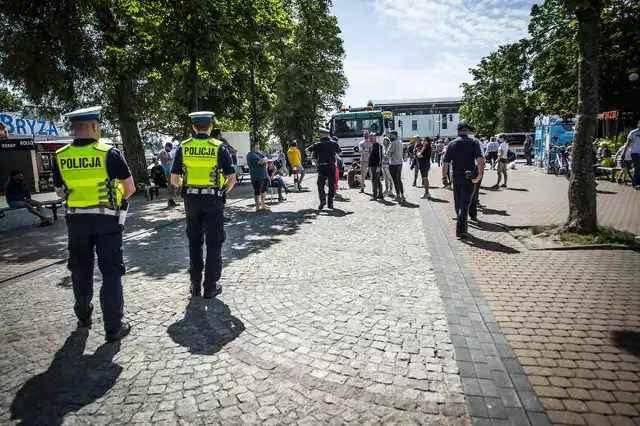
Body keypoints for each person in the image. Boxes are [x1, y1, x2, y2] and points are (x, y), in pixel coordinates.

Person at [53, 106, 135, 341]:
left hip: (76, 220)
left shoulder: (61, 155)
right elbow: (129, 189)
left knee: (80, 268)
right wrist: (115, 197)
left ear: (75, 128)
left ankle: (83, 316)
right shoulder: (109, 153)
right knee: (110, 272)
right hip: (107, 220)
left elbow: (60, 191)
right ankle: (113, 327)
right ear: (95, 126)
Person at [170, 111, 236, 299]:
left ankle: (195, 284)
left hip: (191, 199)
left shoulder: (184, 147)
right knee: (214, 243)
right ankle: (210, 286)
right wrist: (222, 190)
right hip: (213, 199)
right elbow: (231, 178)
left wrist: (187, 186)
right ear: (211, 127)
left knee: (194, 242)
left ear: (193, 127)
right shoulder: (218, 148)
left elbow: (174, 179)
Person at [441, 122, 485, 239]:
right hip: (469, 176)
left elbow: (445, 163)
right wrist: (480, 174)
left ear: (459, 131)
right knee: (465, 203)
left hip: (456, 176)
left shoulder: (452, 144)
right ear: (468, 131)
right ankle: (461, 230)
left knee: (458, 202)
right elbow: (480, 159)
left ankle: (462, 224)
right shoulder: (474, 143)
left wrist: (444, 177)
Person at [306, 128, 341, 210]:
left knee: (320, 185)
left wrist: (309, 156)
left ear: (322, 135)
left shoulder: (317, 144)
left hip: (322, 167)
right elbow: (340, 152)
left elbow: (307, 150)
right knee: (331, 186)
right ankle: (330, 204)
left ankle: (322, 201)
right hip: (331, 167)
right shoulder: (334, 143)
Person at [246, 142, 270, 211]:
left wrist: (265, 159)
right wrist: (265, 160)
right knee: (257, 192)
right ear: (252, 148)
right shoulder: (251, 155)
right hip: (256, 177)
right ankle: (257, 206)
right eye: (257, 147)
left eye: (258, 147)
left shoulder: (258, 153)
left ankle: (262, 205)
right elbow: (261, 161)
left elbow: (266, 159)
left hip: (264, 175)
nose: (258, 149)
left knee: (264, 191)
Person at [387, 133, 406, 202]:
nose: (390, 136)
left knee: (395, 181)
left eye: (391, 135)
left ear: (394, 135)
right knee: (399, 180)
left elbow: (388, 154)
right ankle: (402, 195)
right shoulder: (400, 142)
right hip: (399, 163)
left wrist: (385, 152)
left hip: (393, 164)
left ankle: (398, 195)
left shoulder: (393, 143)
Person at [160, 142, 178, 207]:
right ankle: (170, 201)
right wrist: (174, 158)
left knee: (172, 186)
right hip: (168, 172)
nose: (170, 149)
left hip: (169, 171)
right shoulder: (164, 152)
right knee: (171, 186)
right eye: (170, 147)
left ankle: (171, 200)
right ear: (166, 146)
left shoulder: (167, 153)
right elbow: (166, 162)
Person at [368, 133, 383, 200]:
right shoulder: (372, 146)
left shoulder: (378, 145)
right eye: (369, 138)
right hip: (372, 165)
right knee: (377, 180)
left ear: (375, 137)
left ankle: (375, 195)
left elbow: (380, 157)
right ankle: (380, 194)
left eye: (371, 138)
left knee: (375, 180)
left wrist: (379, 166)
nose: (370, 139)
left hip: (376, 165)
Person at [625, 121, 640, 189]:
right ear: (638, 124)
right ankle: (637, 184)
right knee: (638, 168)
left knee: (638, 168)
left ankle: (634, 182)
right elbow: (628, 143)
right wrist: (623, 152)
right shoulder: (633, 132)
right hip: (635, 153)